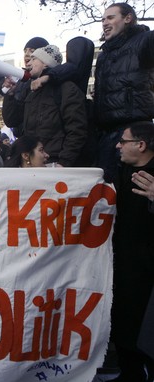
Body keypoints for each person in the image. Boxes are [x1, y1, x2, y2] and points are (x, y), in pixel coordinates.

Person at [110, 121, 154, 382]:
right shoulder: (120, 171)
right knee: (124, 328)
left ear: (141, 145)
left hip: (147, 274)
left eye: (123, 141)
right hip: (124, 266)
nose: (118, 146)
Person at [93, 3, 154, 183]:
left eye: (110, 17)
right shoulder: (103, 55)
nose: (104, 23)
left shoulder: (144, 41)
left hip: (134, 131)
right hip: (107, 134)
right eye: (103, 19)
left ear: (128, 19)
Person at [21, 45, 89, 167]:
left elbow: (76, 129)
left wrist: (64, 162)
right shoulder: (32, 91)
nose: (28, 63)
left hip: (56, 163)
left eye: (34, 59)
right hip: (34, 164)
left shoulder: (66, 89)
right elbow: (13, 121)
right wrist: (10, 94)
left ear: (46, 64)